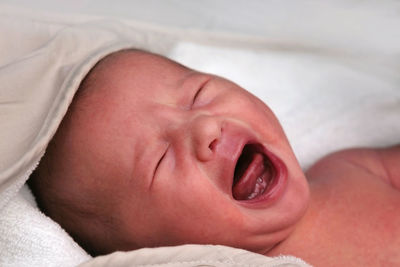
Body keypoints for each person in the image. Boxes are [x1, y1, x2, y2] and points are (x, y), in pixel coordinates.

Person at [28, 49, 400, 266]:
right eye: (160, 161)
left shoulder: (348, 170)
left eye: (199, 94)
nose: (206, 128)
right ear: (149, 252)